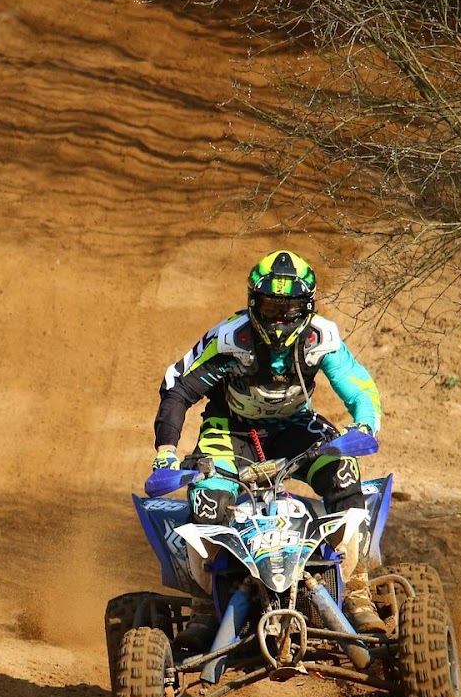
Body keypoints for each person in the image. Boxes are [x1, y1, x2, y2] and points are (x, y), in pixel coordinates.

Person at [152, 250, 386, 649]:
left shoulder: (320, 338)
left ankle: (357, 591)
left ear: (306, 307)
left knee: (345, 473)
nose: (279, 318)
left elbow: (357, 385)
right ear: (253, 303)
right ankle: (204, 606)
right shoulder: (230, 338)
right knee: (207, 499)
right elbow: (178, 390)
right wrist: (166, 453)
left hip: (295, 426)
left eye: (289, 308)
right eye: (270, 307)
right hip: (231, 428)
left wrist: (364, 425)